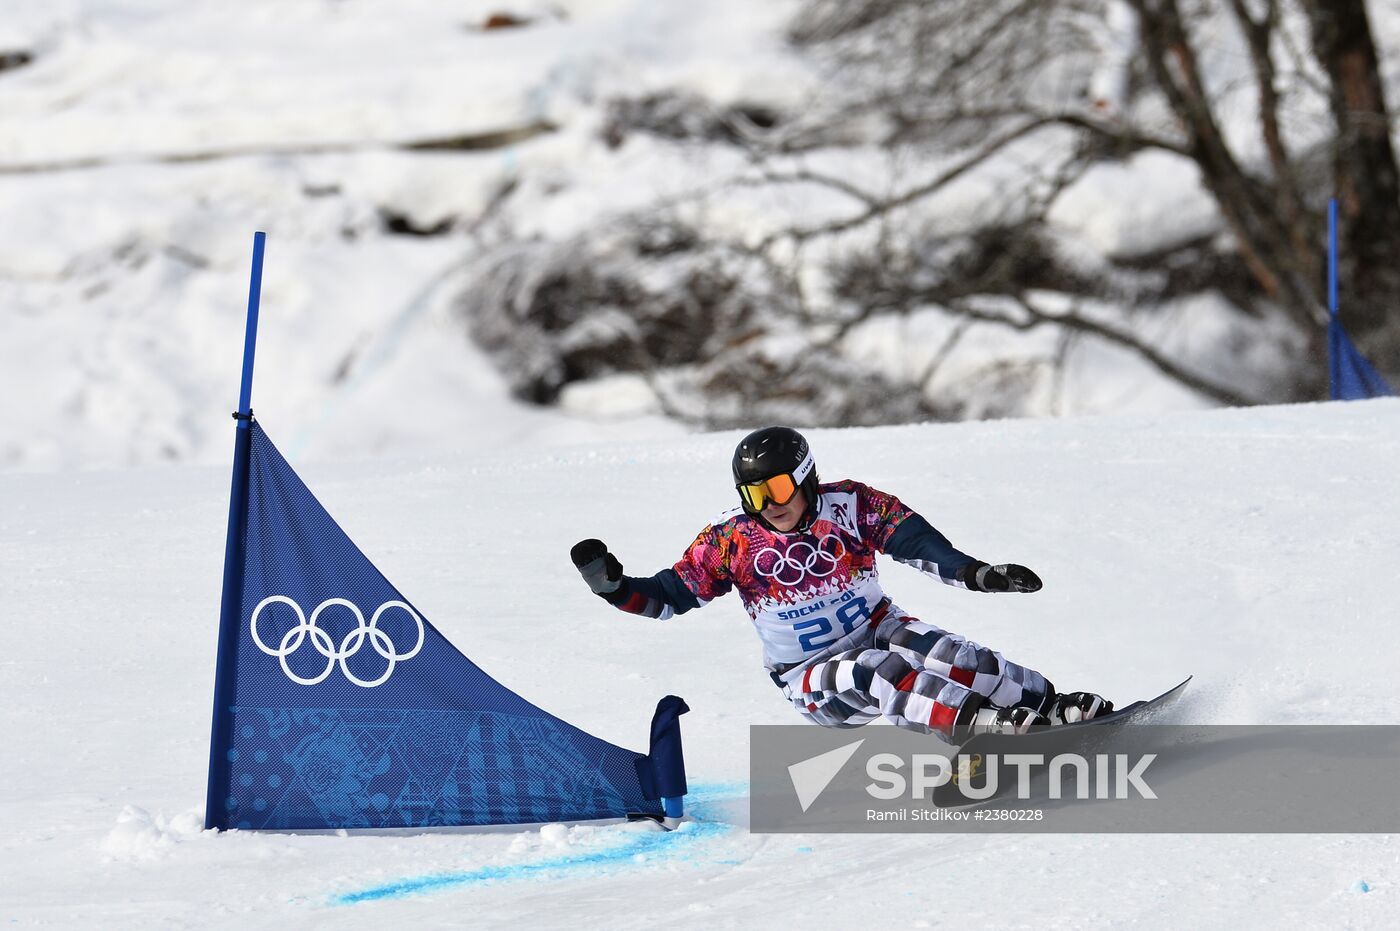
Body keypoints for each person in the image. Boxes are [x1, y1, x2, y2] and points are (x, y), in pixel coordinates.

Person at [570, 426, 1111, 742]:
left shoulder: (849, 505)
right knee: (879, 671)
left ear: (805, 477)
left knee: (947, 653)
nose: (771, 505)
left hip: (881, 627)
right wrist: (614, 588)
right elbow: (666, 598)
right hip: (809, 677)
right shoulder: (730, 540)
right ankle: (985, 729)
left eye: (779, 487)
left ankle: (1050, 706)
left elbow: (918, 544)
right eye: (755, 494)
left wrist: (978, 574)